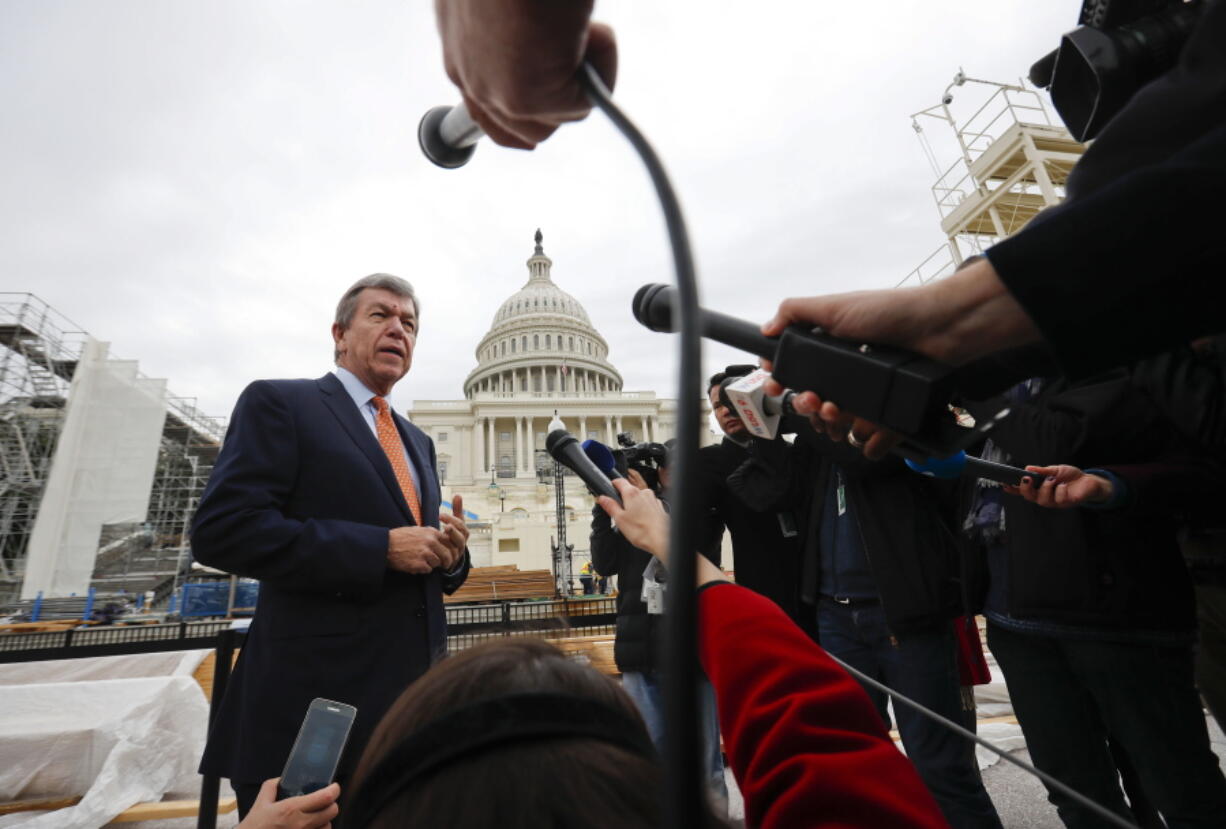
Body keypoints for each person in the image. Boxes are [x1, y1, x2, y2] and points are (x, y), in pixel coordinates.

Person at [330, 475, 947, 828]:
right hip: (655, 646)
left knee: (695, 758)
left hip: (673, 648)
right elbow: (813, 738)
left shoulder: (694, 493)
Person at [190, 274, 471, 818]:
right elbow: (223, 529)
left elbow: (415, 555)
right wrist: (377, 549)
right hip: (312, 718)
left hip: (409, 720)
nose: (398, 329)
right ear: (340, 334)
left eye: (409, 323)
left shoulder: (417, 441)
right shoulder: (282, 403)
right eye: (381, 316)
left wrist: (451, 558)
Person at [956, 369, 1226, 828]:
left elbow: (1048, 441)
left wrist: (976, 387)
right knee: (1076, 794)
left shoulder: (1105, 359)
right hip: (1013, 611)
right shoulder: (1004, 387)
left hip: (1118, 613)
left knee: (1182, 791)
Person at [589, 459, 728, 811]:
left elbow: (703, 549)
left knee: (704, 762)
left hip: (691, 654)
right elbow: (604, 565)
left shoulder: (693, 510)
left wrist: (667, 496)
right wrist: (601, 510)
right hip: (641, 651)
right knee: (650, 760)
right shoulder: (627, 516)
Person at [697, 368, 809, 631]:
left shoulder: (795, 453)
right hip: (762, 592)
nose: (725, 411)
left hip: (813, 592)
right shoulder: (708, 463)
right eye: (717, 407)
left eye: (731, 402)